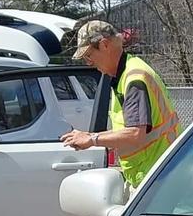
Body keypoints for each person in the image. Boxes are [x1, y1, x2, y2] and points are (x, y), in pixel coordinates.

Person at [61, 21, 180, 186]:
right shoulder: (126, 74)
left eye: (89, 55)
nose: (89, 63)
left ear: (104, 45)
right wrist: (93, 138)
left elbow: (134, 134)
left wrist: (92, 139)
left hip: (160, 178)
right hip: (158, 174)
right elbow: (130, 130)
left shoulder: (134, 78)